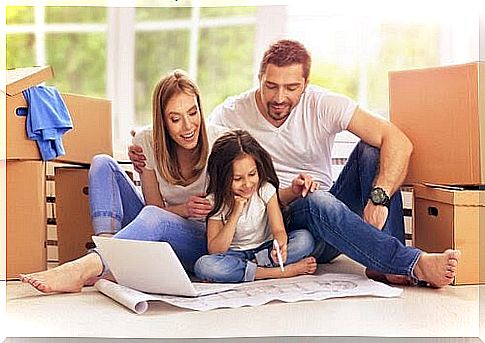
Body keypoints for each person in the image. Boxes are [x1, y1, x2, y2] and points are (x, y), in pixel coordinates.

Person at [130, 40, 460, 287]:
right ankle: (410, 263)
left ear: (306, 83)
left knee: (373, 150)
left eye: (291, 87)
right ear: (259, 77)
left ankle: (386, 261)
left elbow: (398, 141)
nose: (278, 97)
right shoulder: (232, 114)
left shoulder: (323, 103)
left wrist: (379, 197)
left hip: (332, 220)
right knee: (314, 201)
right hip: (283, 220)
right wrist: (149, 145)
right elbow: (197, 142)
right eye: (270, 86)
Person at [19, 69, 221, 293]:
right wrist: (184, 208)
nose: (188, 126)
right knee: (102, 163)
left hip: (198, 242)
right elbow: (153, 206)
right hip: (156, 226)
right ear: (162, 121)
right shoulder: (146, 140)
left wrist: (187, 211)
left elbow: (169, 216)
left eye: (193, 113)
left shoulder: (219, 142)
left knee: (154, 217)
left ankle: (86, 267)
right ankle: (107, 260)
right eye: (175, 119)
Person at [194, 130, 317, 283]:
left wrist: (281, 243)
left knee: (305, 240)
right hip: (235, 254)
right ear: (222, 178)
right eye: (237, 178)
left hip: (265, 251)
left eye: (252, 174)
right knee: (204, 266)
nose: (247, 184)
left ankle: (249, 270)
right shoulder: (215, 201)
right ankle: (279, 272)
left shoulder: (265, 190)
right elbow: (215, 250)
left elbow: (278, 229)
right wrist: (235, 214)